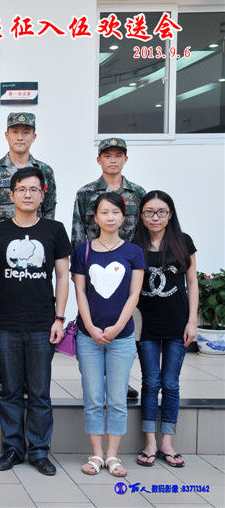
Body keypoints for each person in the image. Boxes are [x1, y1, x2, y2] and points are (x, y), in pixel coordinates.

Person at [0, 167, 71, 476]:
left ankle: (40, 451)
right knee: (10, 391)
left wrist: (59, 318)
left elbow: (63, 276)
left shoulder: (54, 230)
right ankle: (13, 449)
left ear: (42, 195)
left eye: (34, 190)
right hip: (6, 324)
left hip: (42, 323)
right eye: (22, 189)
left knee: (40, 392)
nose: (27, 195)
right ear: (12, 194)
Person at [0, 112, 57, 398]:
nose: (20, 136)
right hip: (1, 252)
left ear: (34, 136)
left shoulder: (45, 172)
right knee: (1, 312)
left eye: (26, 131)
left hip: (33, 253)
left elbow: (49, 211)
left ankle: (32, 375)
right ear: (6, 135)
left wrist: (46, 248)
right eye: (15, 131)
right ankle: (3, 373)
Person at [72, 193, 145, 478]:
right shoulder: (83, 251)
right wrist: (90, 327)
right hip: (87, 336)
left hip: (122, 337)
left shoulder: (133, 252)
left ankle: (113, 456)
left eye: (115, 212)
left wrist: (117, 327)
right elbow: (80, 292)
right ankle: (96, 455)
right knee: (92, 397)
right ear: (95, 217)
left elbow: (134, 294)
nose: (110, 217)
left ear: (123, 217)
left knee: (116, 398)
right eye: (104, 212)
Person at [72, 137, 146, 400]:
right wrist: (77, 271)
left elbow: (143, 234)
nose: (113, 160)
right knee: (94, 319)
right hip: (92, 267)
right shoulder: (85, 193)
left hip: (128, 267)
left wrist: (139, 265)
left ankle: (120, 380)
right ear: (99, 159)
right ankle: (97, 377)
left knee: (125, 323)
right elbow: (78, 232)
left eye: (118, 155)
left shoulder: (138, 193)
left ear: (125, 159)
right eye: (107, 155)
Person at [133, 191, 198, 468]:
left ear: (170, 214)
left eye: (161, 212)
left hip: (177, 324)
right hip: (145, 326)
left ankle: (167, 442)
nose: (155, 217)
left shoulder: (183, 242)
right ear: (141, 215)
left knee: (171, 383)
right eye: (149, 212)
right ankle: (150, 441)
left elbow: (192, 282)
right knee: (150, 382)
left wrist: (192, 321)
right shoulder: (134, 245)